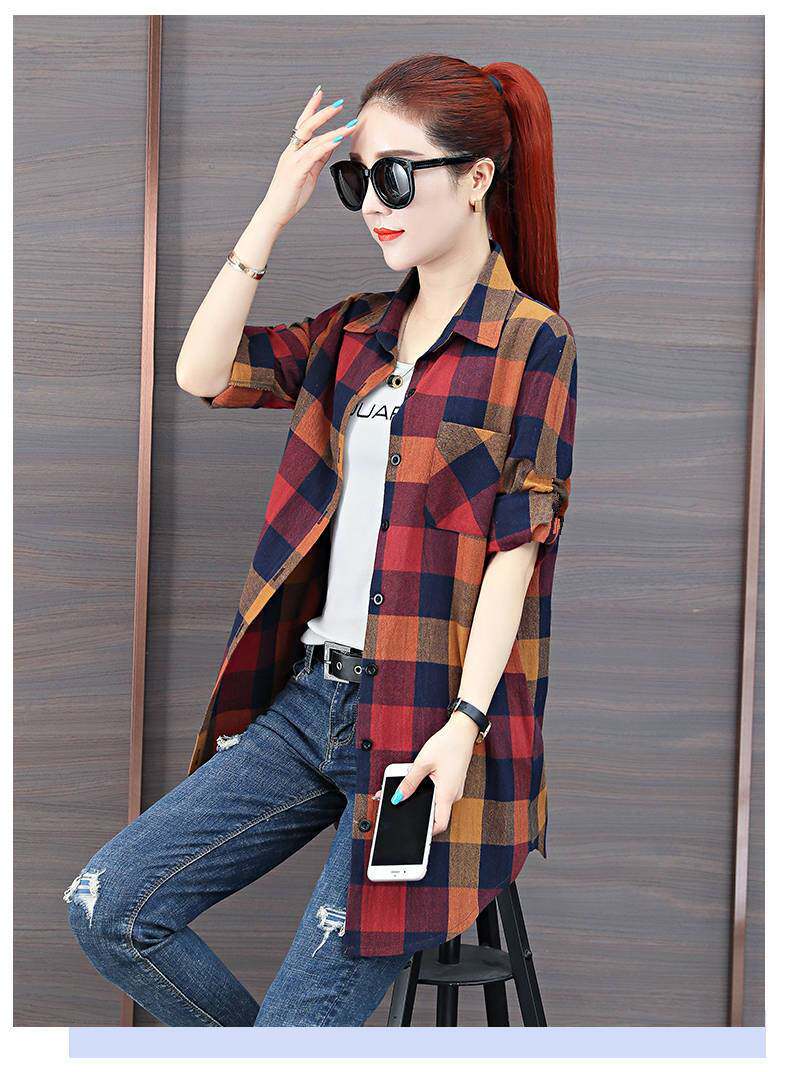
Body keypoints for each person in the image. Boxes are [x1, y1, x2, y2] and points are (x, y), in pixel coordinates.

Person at [64, 52, 577, 1027]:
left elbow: (517, 553)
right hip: (314, 702)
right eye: (358, 180)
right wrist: (274, 207)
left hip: (425, 728)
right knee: (107, 907)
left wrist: (463, 728)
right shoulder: (355, 334)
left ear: (477, 177)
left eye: (396, 176)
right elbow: (203, 372)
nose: (373, 204)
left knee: (297, 1035)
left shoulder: (531, 344)